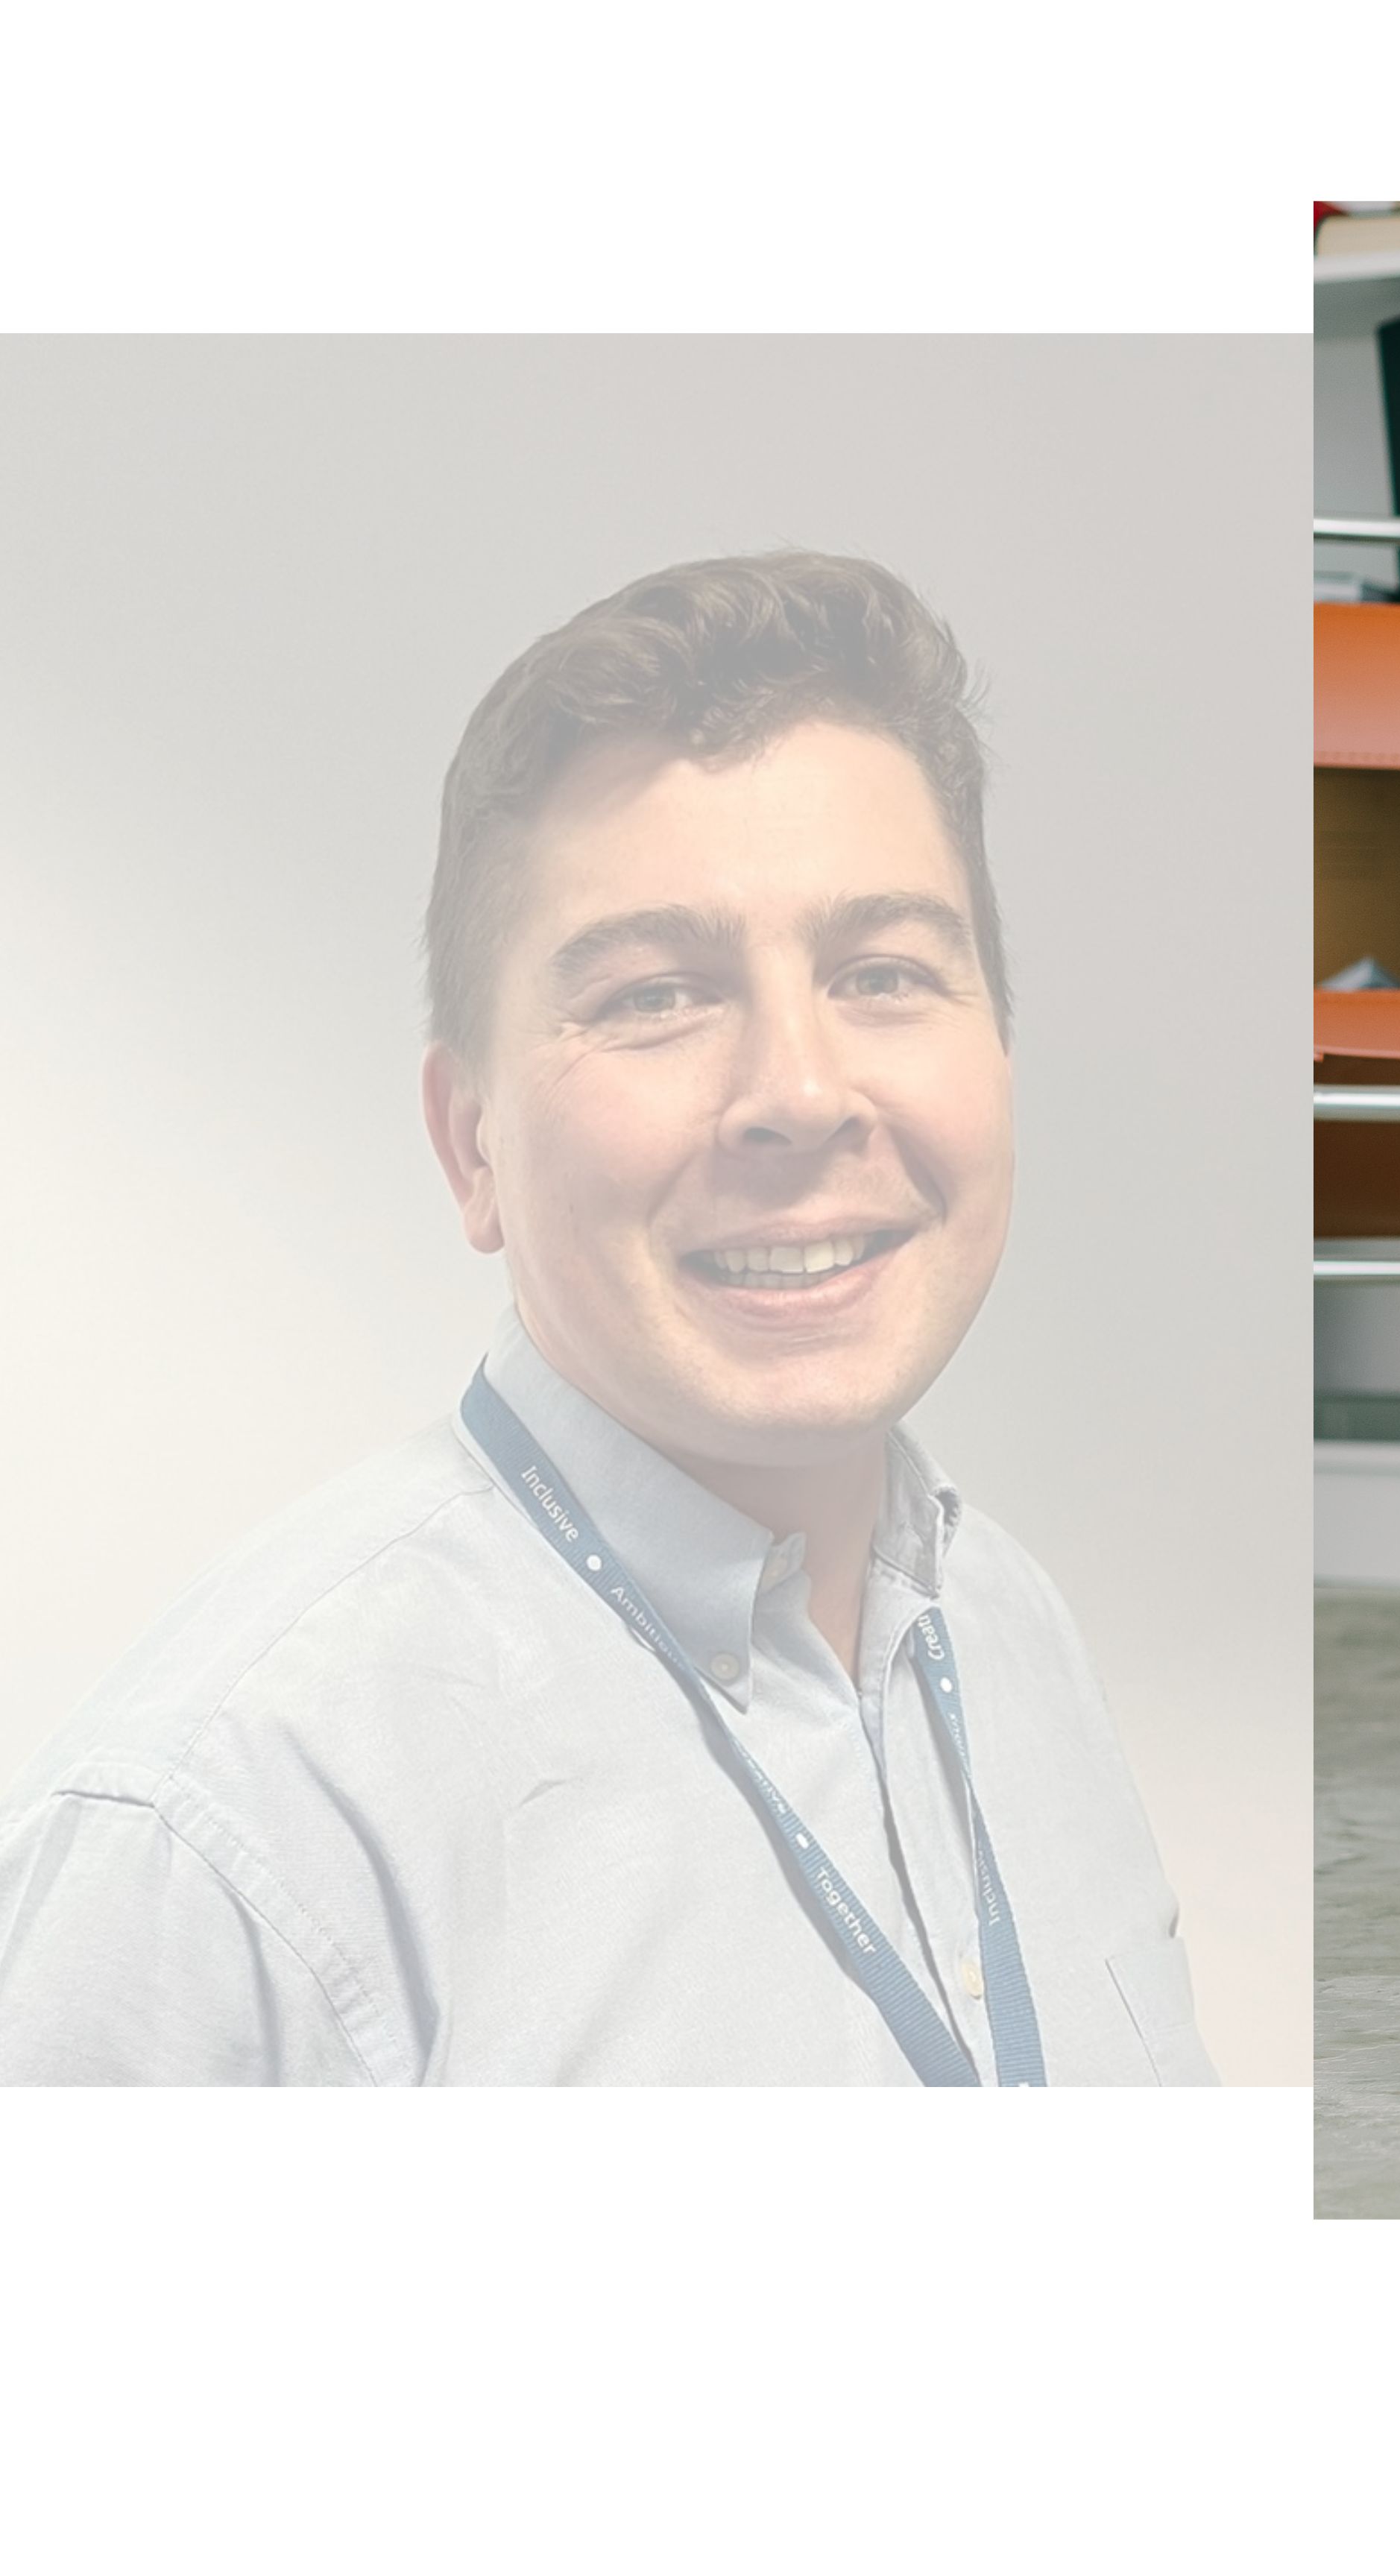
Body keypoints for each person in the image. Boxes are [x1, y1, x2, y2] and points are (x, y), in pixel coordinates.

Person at [0, 552, 1215, 2084]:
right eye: (654, 995)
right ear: (473, 1144)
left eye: (885, 972)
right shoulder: (230, 1838)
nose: (800, 1093)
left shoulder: (1004, 1630)